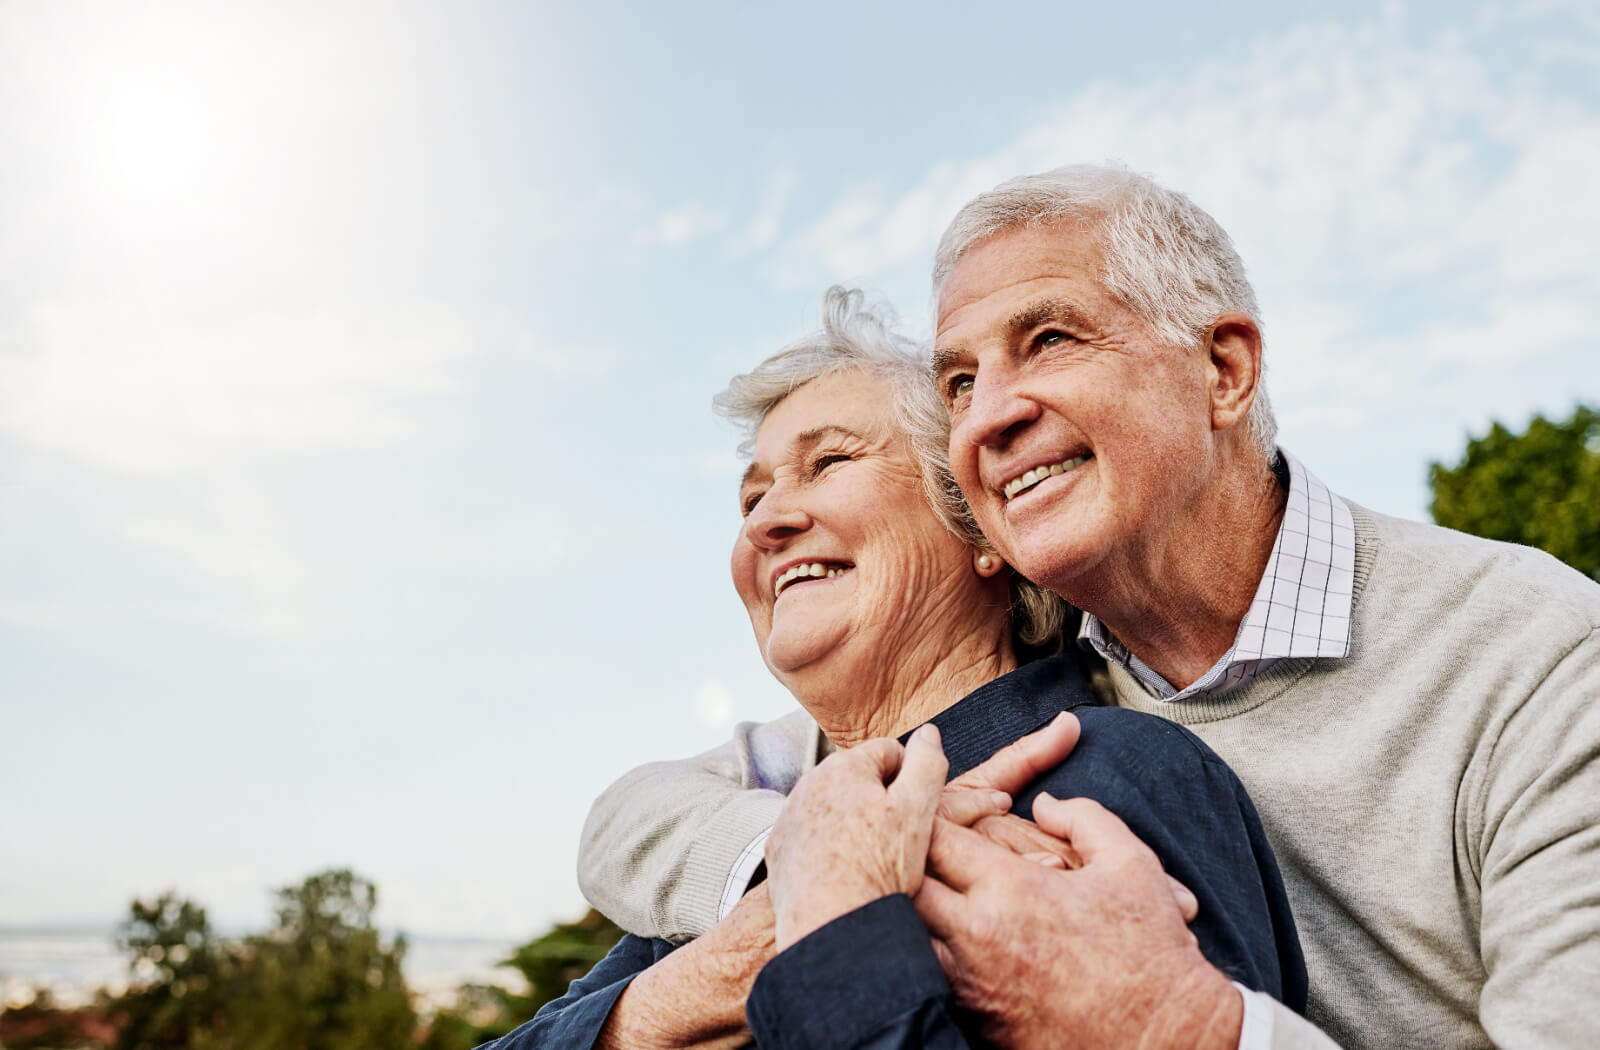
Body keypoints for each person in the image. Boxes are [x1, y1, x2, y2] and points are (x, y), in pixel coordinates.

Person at [579, 165, 1600, 1049]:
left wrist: (1184, 1028)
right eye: (962, 379)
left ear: (1224, 369)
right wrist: (803, 873)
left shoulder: (1538, 657)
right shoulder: (1028, 695)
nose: (991, 415)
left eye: (1051, 339)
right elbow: (639, 814)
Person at [486, 288, 1305, 1049]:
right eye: (750, 499)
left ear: (984, 531)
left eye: (830, 462)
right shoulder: (745, 853)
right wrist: (700, 984)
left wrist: (838, 928)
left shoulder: (1110, 780)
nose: (768, 520)